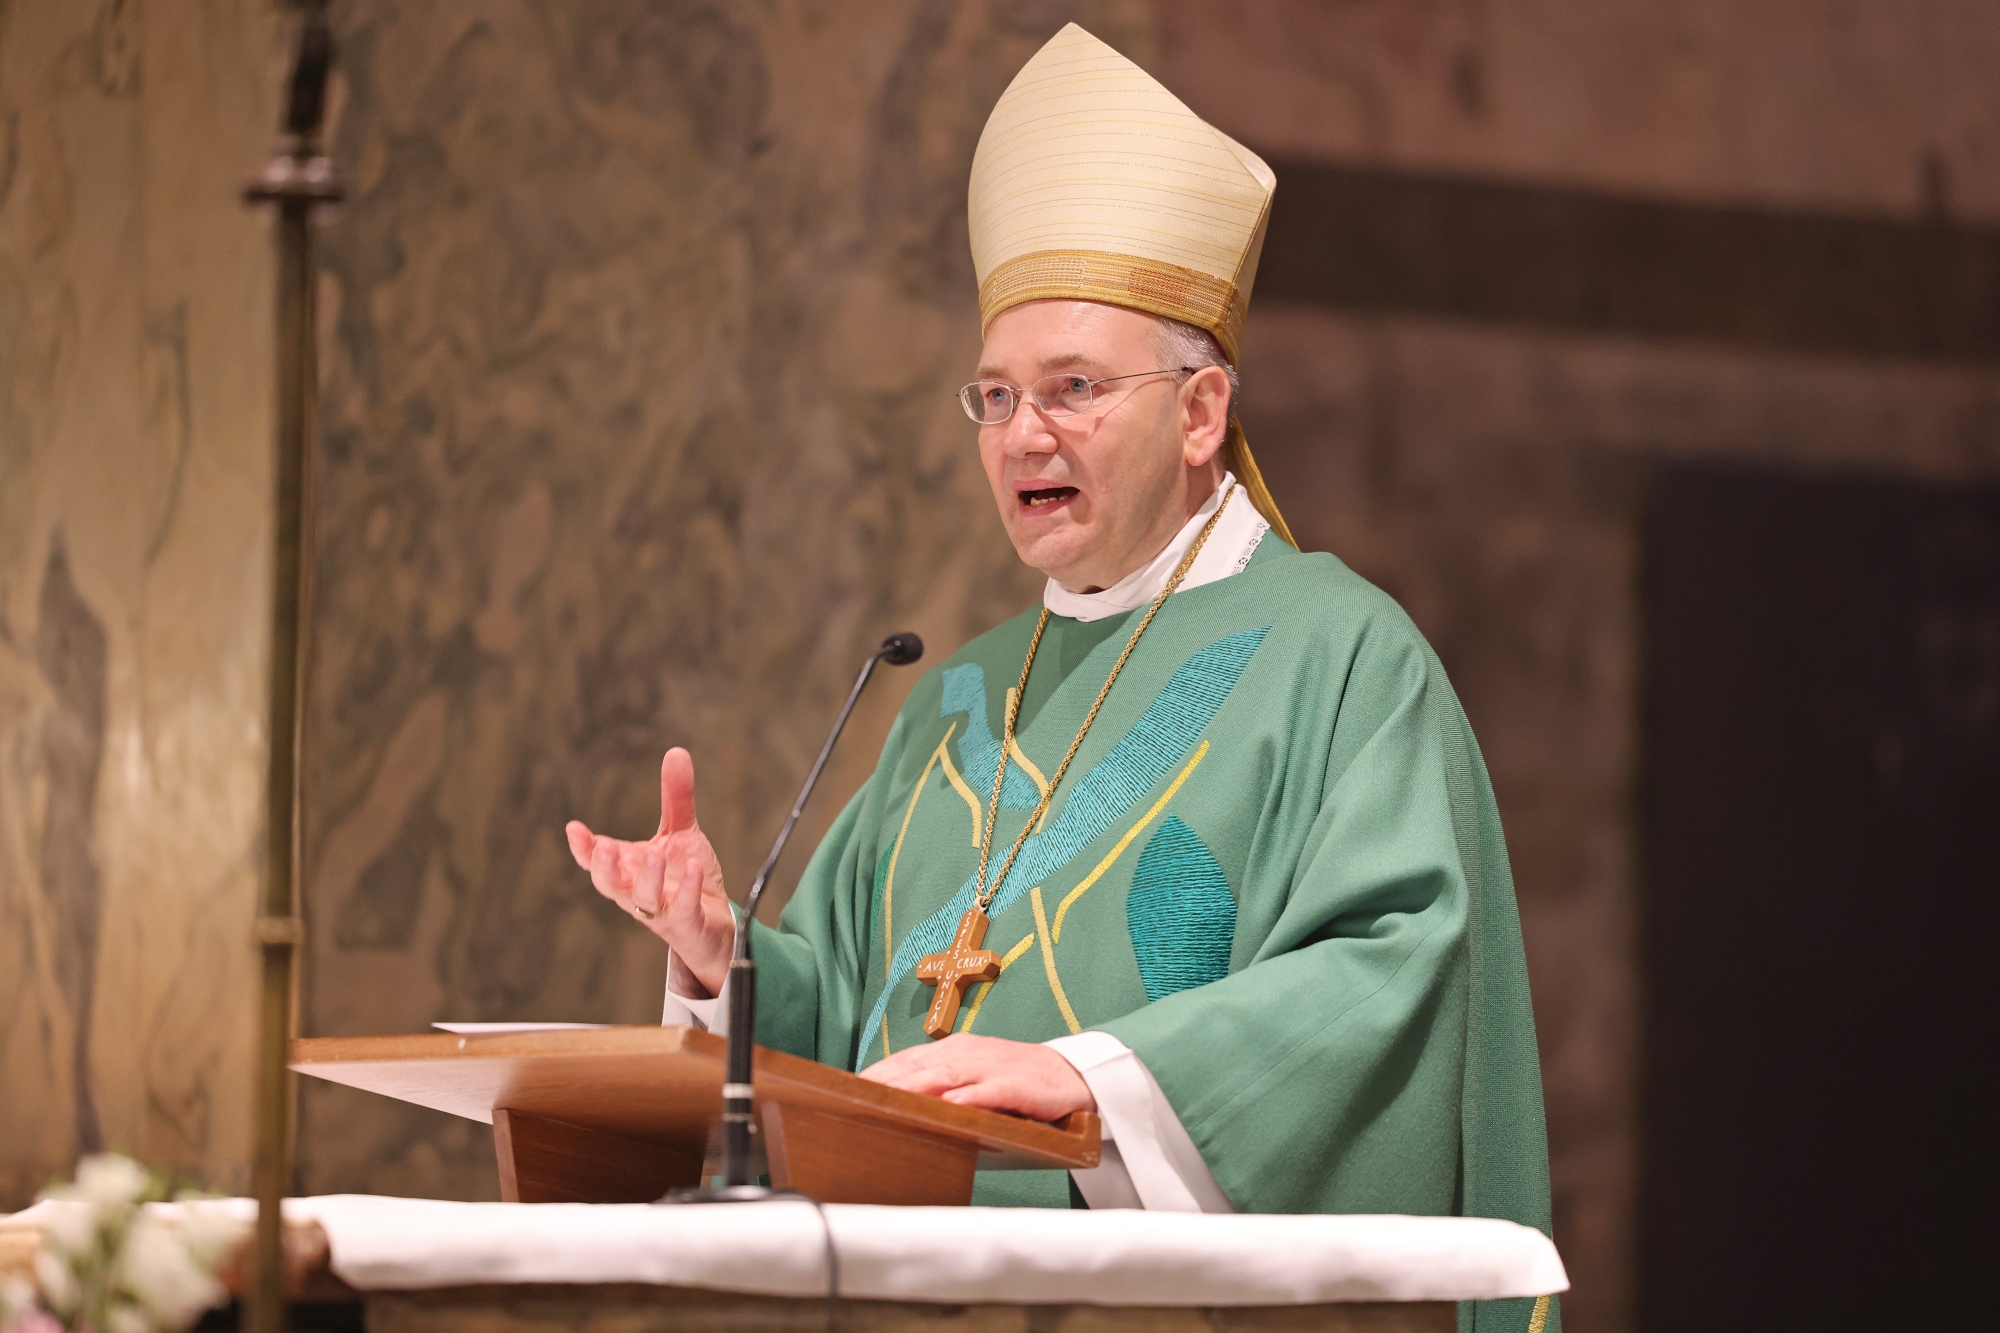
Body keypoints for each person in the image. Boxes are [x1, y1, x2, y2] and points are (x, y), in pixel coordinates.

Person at [567, 25, 1556, 1332]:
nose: (1024, 433)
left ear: (1202, 415)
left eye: (1074, 388)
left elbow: (1396, 983)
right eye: (994, 395)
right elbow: (841, 1029)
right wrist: (718, 959)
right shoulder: (957, 699)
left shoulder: (1342, 659)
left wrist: (1094, 1080)